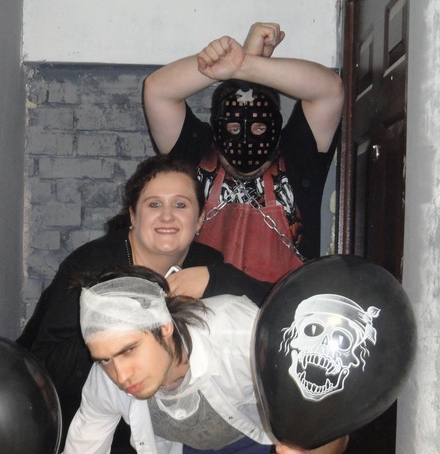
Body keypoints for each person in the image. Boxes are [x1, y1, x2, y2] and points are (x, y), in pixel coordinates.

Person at [17, 154, 272, 451]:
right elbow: (46, 364)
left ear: (200, 218)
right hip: (68, 409)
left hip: (177, 423)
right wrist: (120, 335)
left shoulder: (207, 264)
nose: (167, 216)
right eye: (154, 204)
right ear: (133, 216)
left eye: (180, 205)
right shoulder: (92, 267)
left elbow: (278, 315)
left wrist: (217, 279)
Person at [65, 266, 349, 454]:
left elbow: (331, 422)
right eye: (104, 359)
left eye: (129, 349)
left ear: (164, 327)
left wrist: (306, 448)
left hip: (261, 440)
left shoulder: (241, 335)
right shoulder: (105, 378)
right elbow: (85, 443)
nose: (121, 374)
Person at [143, 22, 345, 283]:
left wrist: (245, 64)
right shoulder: (194, 153)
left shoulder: (298, 156)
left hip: (281, 305)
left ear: (275, 127)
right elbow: (157, 90)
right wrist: (229, 66)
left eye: (259, 128)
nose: (247, 141)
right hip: (201, 304)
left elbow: (329, 90)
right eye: (234, 128)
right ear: (219, 128)